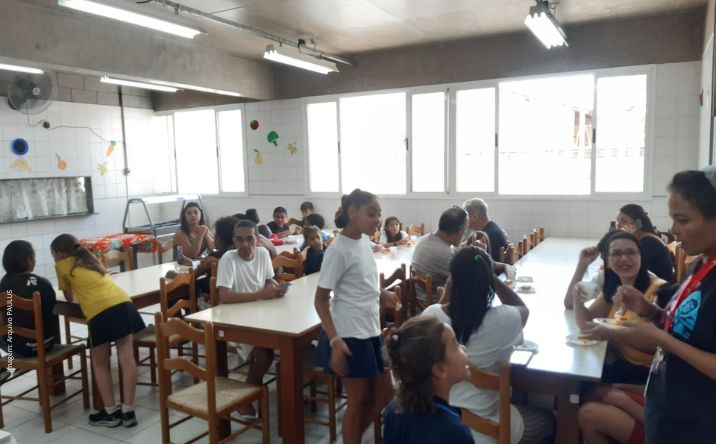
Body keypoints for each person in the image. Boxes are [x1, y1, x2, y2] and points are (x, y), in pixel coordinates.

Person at [581, 167, 716, 443]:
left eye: (683, 220)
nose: (673, 230)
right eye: (673, 219)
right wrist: (649, 310)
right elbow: (685, 326)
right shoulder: (702, 264)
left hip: (696, 425)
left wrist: (662, 341)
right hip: (667, 408)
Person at [423, 246, 555, 444]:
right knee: (549, 418)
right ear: (487, 280)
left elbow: (440, 308)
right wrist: (490, 276)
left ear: (452, 279)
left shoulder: (431, 318)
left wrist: (452, 285)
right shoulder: (505, 319)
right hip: (489, 433)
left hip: (441, 425)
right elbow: (523, 309)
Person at [314, 189, 399, 444]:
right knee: (359, 400)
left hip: (370, 327)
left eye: (379, 214)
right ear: (352, 213)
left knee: (385, 392)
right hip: (349, 333)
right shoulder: (337, 250)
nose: (377, 220)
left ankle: (352, 438)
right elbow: (320, 300)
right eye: (371, 214)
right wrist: (335, 340)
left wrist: (382, 292)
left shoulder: (362, 240)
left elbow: (360, 280)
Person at [50, 234, 145, 428]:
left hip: (99, 311)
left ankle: (110, 413)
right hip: (123, 303)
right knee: (127, 358)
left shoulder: (62, 266)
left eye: (53, 256)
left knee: (99, 362)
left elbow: (68, 297)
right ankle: (128, 411)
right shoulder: (89, 257)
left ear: (59, 254)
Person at [215, 219, 287, 418]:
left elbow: (268, 279)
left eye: (249, 239)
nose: (245, 244)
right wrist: (262, 294)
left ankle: (284, 394)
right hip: (234, 320)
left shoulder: (262, 253)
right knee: (265, 355)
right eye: (239, 240)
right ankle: (245, 399)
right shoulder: (228, 259)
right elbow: (224, 296)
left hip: (260, 315)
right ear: (233, 241)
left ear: (258, 239)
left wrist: (275, 287)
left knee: (283, 344)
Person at [574, 231, 666, 384]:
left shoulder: (659, 289)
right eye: (616, 253)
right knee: (580, 380)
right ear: (607, 262)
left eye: (631, 252)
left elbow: (660, 344)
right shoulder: (614, 287)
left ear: (641, 257)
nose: (624, 258)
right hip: (624, 364)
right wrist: (577, 299)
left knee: (585, 388)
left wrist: (612, 334)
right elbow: (587, 326)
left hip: (649, 372)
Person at [383, 316, 473, 444]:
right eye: (456, 345)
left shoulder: (393, 409)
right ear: (439, 369)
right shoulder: (455, 433)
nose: (464, 348)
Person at [0, 240, 57, 383]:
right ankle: (23, 364)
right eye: (33, 256)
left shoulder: (3, 286)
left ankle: (1, 371)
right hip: (47, 344)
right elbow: (51, 311)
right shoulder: (44, 283)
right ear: (27, 260)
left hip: (19, 348)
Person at [412, 206, 468, 291]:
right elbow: (465, 278)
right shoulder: (446, 254)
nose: (464, 233)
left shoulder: (424, 239)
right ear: (459, 231)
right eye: (465, 229)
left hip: (419, 293)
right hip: (436, 297)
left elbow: (449, 252)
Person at [616, 204, 674, 282]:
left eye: (624, 221)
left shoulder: (650, 243)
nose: (618, 225)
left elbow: (626, 264)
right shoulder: (640, 241)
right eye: (617, 221)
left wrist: (627, 240)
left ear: (637, 224)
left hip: (657, 287)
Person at [578, 384, 646, 444]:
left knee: (587, 415)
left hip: (650, 428)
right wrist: (621, 386)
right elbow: (650, 389)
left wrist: (625, 402)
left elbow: (652, 420)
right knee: (595, 392)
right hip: (647, 403)